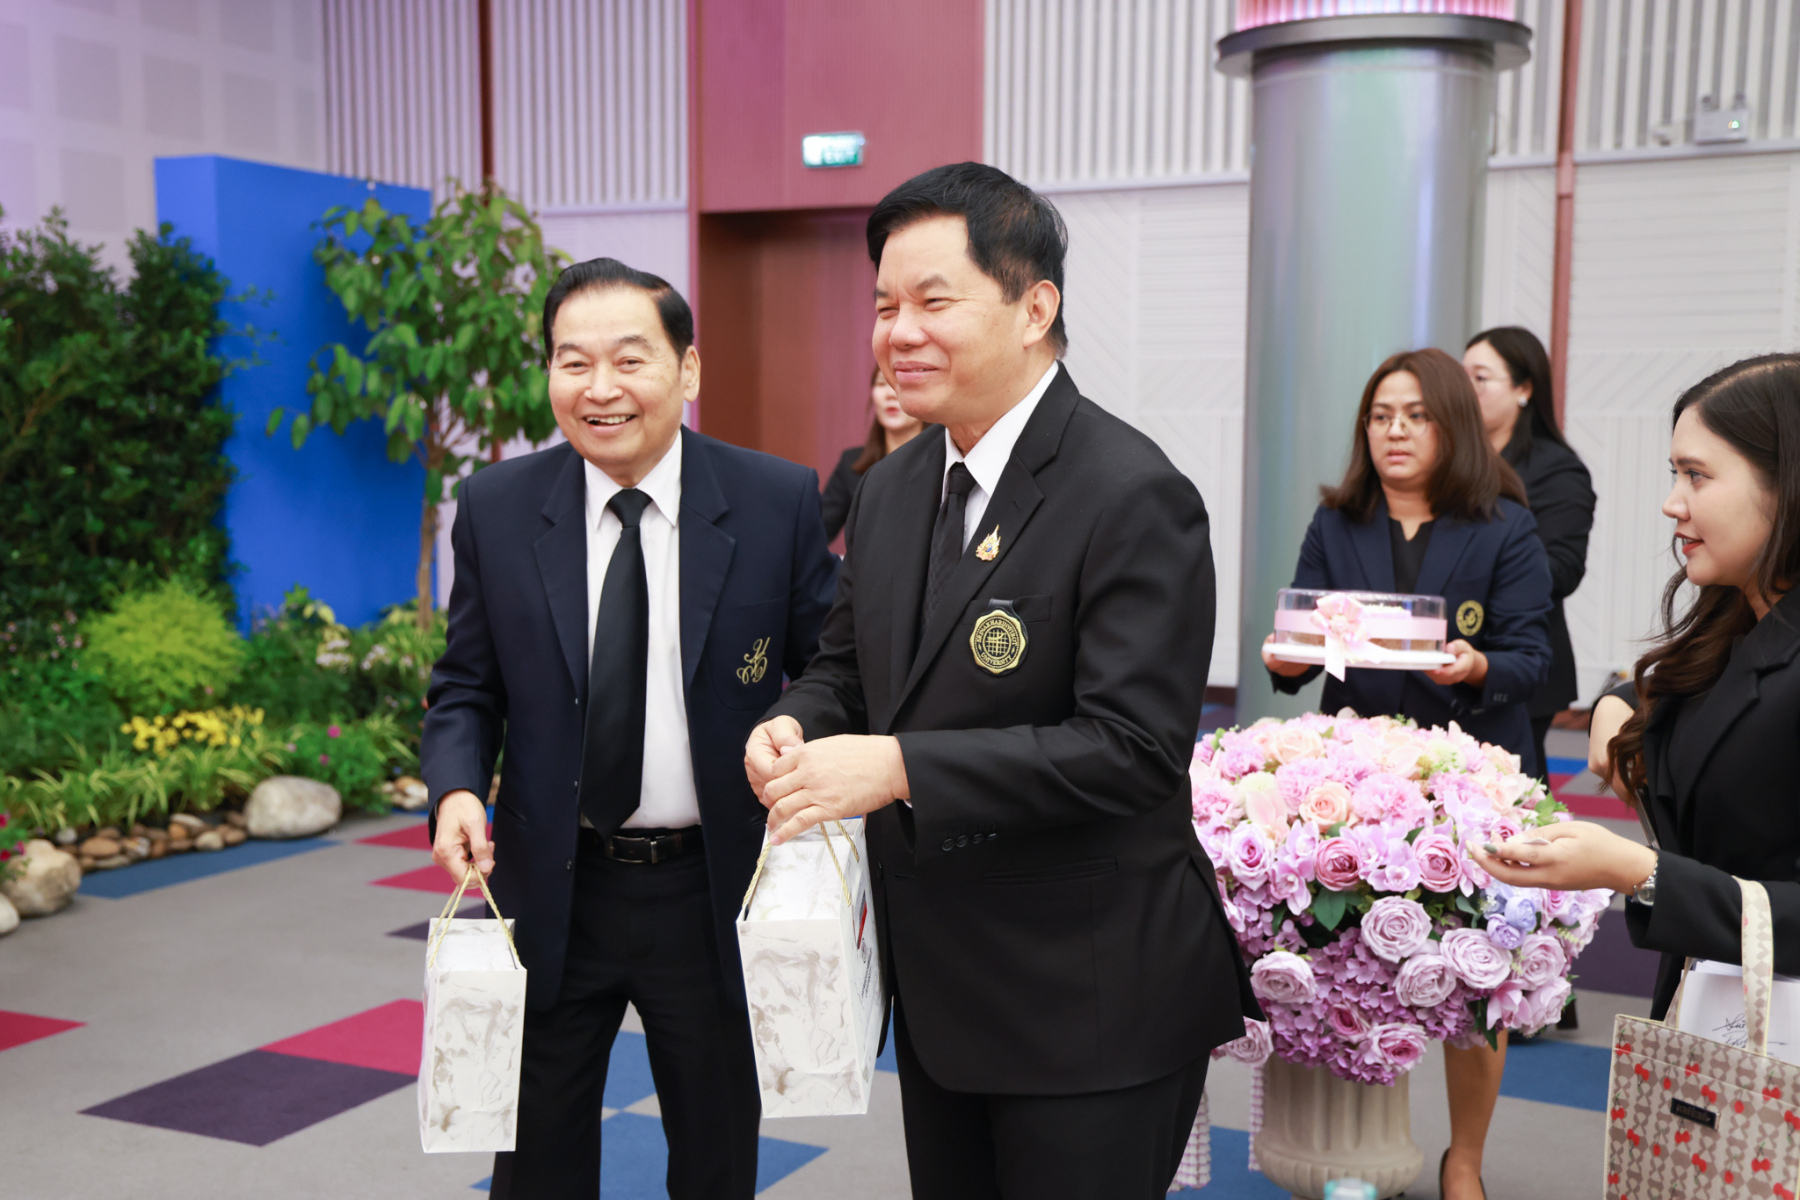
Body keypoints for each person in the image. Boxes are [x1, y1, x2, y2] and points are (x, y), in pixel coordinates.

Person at [742, 162, 1257, 1199]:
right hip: (942, 993)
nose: (899, 333)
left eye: (934, 301)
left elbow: (1132, 750)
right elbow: (848, 666)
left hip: (1088, 999)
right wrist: (795, 721)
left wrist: (899, 768)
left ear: (1035, 308)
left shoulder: (1131, 492)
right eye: (884, 306)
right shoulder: (891, 489)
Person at [421, 257, 838, 1200]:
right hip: (554, 880)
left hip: (712, 883)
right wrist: (454, 786)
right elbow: (465, 686)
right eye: (573, 362)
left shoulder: (774, 499)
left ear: (687, 369)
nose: (599, 388)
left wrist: (795, 730)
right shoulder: (496, 506)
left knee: (717, 1156)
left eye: (629, 359)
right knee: (535, 1160)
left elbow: (830, 668)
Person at [1260, 347, 1554, 1200]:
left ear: (1452, 426)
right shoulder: (1337, 522)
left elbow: (1531, 657)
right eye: (1381, 415)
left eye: (1417, 416)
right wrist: (1284, 657)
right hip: (1359, 784)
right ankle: (1353, 1146)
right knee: (1354, 962)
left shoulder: (1505, 525)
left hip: (1471, 775)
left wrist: (1476, 665)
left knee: (1477, 970)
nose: (1395, 430)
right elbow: (1301, 641)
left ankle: (1465, 1158)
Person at [1481, 355, 1800, 1034]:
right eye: (1674, 474)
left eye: (1697, 475)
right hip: (1716, 1011)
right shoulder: (1739, 616)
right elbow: (1684, 683)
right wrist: (1618, 701)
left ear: (1787, 485)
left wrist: (1637, 870)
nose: (1672, 503)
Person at [1464, 327, 1596, 778]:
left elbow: (1562, 569)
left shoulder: (1558, 469)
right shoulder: (1449, 462)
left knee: (1509, 797)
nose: (1466, 389)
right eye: (1461, 377)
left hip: (1519, 657)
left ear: (1524, 389)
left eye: (1480, 378)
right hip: (1451, 656)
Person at [820, 365, 926, 540]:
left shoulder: (947, 463)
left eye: (902, 384)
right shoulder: (852, 463)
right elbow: (815, 533)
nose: (890, 394)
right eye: (882, 383)